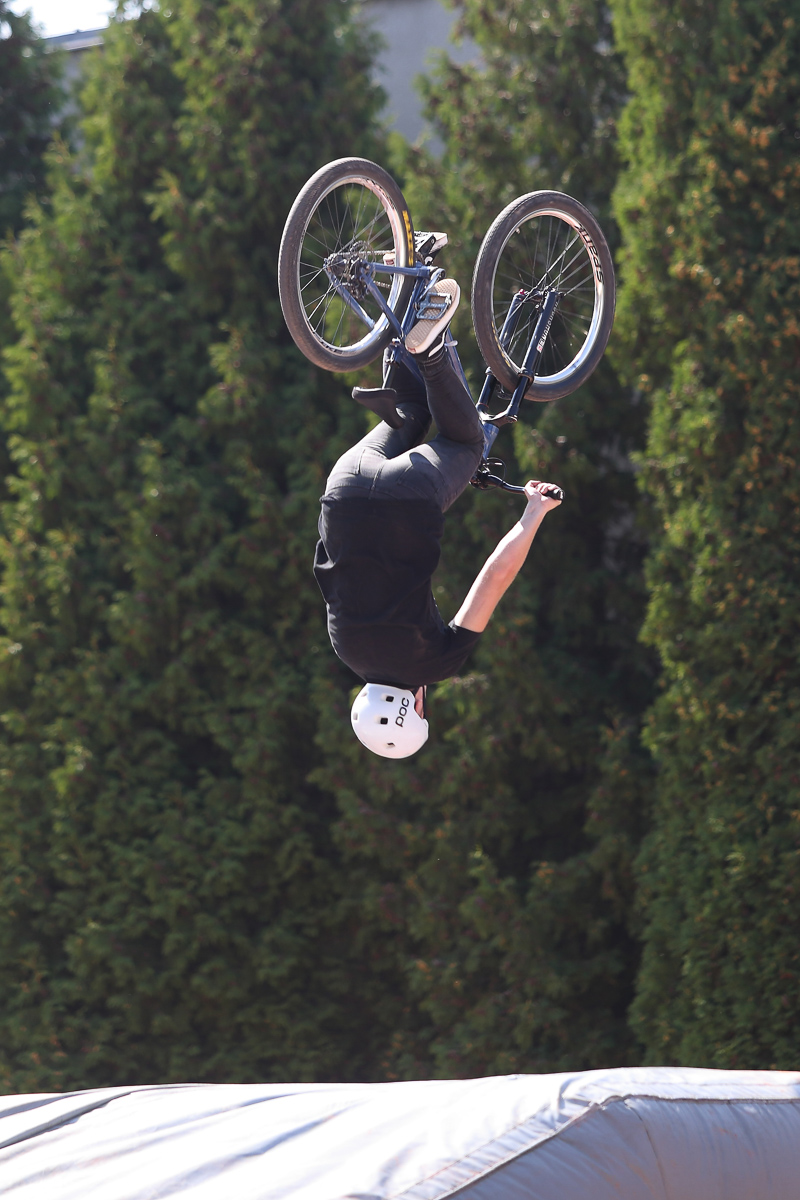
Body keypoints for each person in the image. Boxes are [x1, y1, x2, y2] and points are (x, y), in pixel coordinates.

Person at [313, 273, 562, 759]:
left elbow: (495, 576)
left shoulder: (435, 664)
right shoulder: (345, 648)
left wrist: (534, 513)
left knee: (466, 443)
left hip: (408, 497)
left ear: (417, 706)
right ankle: (404, 280)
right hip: (344, 488)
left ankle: (429, 351)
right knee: (411, 406)